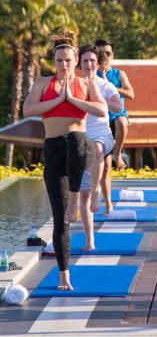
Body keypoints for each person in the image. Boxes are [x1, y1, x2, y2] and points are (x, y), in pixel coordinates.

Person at [23, 31, 107, 289]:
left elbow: (103, 110)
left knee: (74, 139)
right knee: (59, 221)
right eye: (59, 60)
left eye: (68, 60)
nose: (64, 65)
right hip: (54, 151)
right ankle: (64, 276)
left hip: (81, 146)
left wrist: (73, 99)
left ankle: (75, 203)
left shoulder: (86, 84)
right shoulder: (42, 83)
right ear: (54, 61)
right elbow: (28, 110)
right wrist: (59, 99)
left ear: (75, 60)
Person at [78, 44, 122, 250]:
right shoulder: (74, 85)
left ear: (98, 64)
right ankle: (90, 241)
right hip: (79, 137)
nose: (89, 64)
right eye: (85, 61)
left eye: (92, 61)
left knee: (96, 149)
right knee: (82, 193)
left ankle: (97, 192)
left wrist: (98, 100)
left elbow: (117, 106)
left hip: (102, 135)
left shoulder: (105, 85)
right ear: (79, 63)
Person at [95, 38, 134, 214]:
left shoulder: (119, 75)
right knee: (105, 168)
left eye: (107, 53)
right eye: (100, 53)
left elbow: (131, 94)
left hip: (117, 115)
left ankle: (118, 154)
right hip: (100, 121)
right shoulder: (91, 75)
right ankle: (108, 205)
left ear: (113, 55)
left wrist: (110, 86)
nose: (104, 56)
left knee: (122, 122)